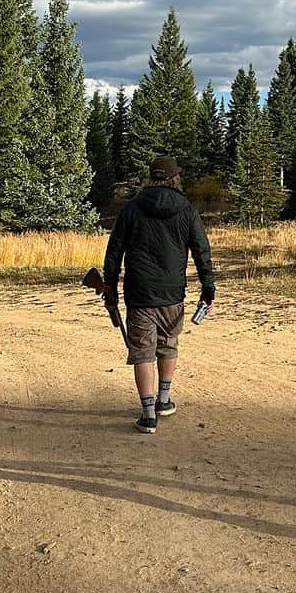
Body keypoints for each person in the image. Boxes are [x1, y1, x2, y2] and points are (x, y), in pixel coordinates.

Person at [103, 155, 216, 433]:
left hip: (139, 293)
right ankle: (164, 400)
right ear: (175, 177)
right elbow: (202, 252)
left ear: (151, 177)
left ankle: (148, 414)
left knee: (142, 352)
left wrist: (110, 289)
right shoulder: (187, 209)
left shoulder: (131, 209)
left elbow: (114, 252)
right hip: (172, 293)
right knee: (168, 344)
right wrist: (208, 289)